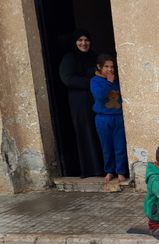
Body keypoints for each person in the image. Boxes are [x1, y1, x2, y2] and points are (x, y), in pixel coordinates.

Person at [58, 29, 104, 178]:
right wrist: (92, 82)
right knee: (86, 132)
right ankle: (92, 170)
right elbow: (67, 79)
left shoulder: (95, 57)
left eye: (86, 40)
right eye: (80, 40)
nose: (83, 43)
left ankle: (105, 168)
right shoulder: (69, 59)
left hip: (97, 100)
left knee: (100, 132)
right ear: (75, 42)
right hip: (80, 103)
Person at [90, 53, 129, 183]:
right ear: (99, 67)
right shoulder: (95, 81)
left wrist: (113, 81)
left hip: (118, 117)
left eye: (112, 67)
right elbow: (100, 96)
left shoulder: (118, 80)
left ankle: (121, 172)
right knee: (106, 146)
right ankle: (109, 171)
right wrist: (109, 83)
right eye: (106, 66)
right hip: (102, 118)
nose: (110, 69)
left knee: (120, 145)